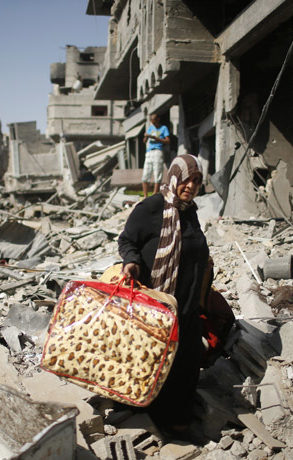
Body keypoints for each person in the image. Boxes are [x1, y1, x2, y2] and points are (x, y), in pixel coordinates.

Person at [118, 154, 208, 442]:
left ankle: (178, 423)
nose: (191, 186)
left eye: (196, 181)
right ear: (174, 177)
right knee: (153, 362)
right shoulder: (152, 207)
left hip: (188, 306)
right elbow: (127, 240)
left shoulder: (190, 210)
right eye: (187, 179)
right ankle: (152, 419)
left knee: (186, 363)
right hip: (158, 306)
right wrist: (131, 261)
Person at [142, 113, 170, 199]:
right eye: (152, 122)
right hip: (149, 152)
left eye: (154, 122)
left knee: (157, 174)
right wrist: (146, 136)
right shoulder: (150, 128)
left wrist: (156, 138)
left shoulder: (163, 128)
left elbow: (168, 141)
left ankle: (154, 194)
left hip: (158, 151)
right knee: (145, 174)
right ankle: (145, 196)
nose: (153, 124)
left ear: (158, 119)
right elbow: (144, 141)